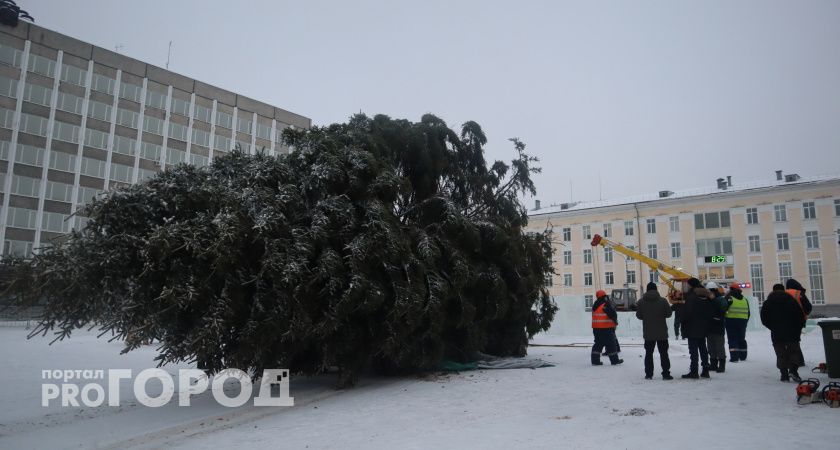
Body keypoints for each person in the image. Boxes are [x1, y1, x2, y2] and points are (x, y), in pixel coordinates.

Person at [760, 283, 807, 382]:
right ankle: (793, 371)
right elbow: (799, 316)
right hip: (792, 332)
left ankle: (784, 374)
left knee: (780, 353)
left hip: (777, 333)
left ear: (773, 291)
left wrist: (773, 327)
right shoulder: (791, 300)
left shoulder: (768, 303)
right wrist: (798, 328)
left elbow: (764, 319)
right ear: (784, 290)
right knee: (794, 351)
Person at [636, 282, 673, 380]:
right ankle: (666, 374)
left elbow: (639, 316)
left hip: (648, 333)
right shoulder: (663, 301)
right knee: (664, 354)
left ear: (647, 290)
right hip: (662, 333)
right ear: (656, 289)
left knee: (648, 353)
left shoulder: (641, 302)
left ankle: (649, 374)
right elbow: (669, 314)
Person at [681, 278, 714, 379]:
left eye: (688, 285)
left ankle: (694, 371)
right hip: (704, 326)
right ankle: (705, 370)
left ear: (691, 285)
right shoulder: (707, 295)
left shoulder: (692, 296)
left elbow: (688, 312)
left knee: (693, 350)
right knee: (703, 348)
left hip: (692, 326)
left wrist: (683, 320)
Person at [591, 290, 623, 366]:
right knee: (611, 344)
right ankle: (614, 361)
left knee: (598, 344)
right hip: (606, 328)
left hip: (596, 328)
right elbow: (612, 314)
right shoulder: (606, 304)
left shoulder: (595, 305)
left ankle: (595, 361)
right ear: (604, 296)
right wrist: (615, 322)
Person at [705, 282, 728, 373]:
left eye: (709, 291)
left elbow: (723, 309)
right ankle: (713, 364)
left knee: (719, 347)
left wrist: (713, 300)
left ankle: (721, 365)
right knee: (711, 348)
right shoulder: (707, 300)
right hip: (709, 327)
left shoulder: (720, 299)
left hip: (718, 327)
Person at [725, 283, 750, 362]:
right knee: (741, 338)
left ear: (731, 289)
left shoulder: (729, 298)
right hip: (743, 321)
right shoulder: (745, 299)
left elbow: (724, 308)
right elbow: (748, 312)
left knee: (732, 339)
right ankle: (743, 356)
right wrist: (745, 321)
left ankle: (734, 357)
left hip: (731, 320)